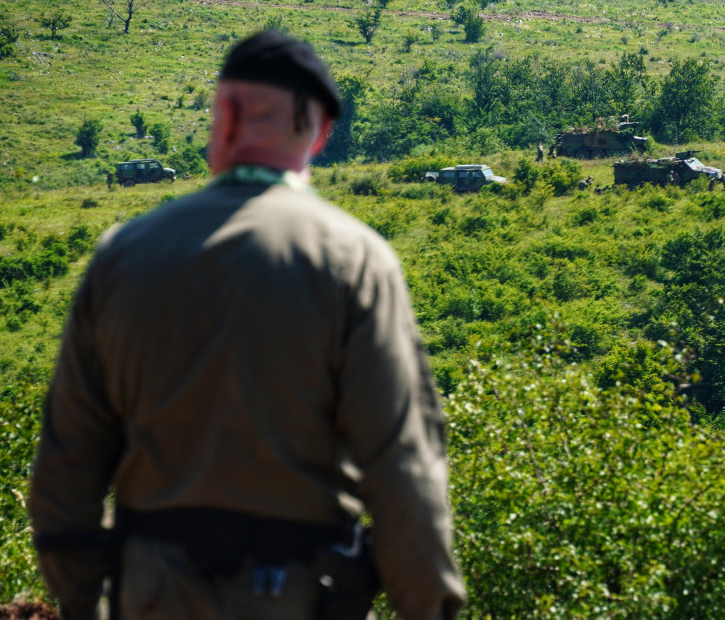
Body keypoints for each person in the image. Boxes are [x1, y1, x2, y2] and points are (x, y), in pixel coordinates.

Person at [29, 29, 465, 620]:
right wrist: (428, 606)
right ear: (320, 130)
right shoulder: (355, 260)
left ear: (223, 114)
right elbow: (402, 465)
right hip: (297, 593)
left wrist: (84, 600)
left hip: (151, 593)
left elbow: (66, 464)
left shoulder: (121, 256)